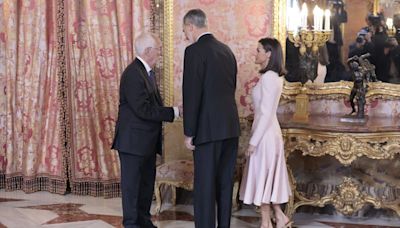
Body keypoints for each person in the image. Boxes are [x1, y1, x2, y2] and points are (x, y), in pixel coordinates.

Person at [112, 32, 179, 228]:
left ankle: (144, 220)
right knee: (132, 188)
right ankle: (132, 224)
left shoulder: (146, 72)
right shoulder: (133, 73)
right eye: (158, 48)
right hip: (133, 143)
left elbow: (151, 105)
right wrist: (174, 112)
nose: (160, 52)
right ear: (148, 51)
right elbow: (143, 109)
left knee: (145, 185)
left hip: (145, 142)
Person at [181, 9, 241, 228]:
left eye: (185, 31)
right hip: (230, 128)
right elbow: (230, 88)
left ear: (190, 27)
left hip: (207, 131)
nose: (185, 36)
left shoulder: (194, 51)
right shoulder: (227, 51)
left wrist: (189, 132)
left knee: (205, 187)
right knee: (225, 184)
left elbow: (192, 94)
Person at [239, 38, 292, 228]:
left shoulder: (270, 77)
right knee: (267, 176)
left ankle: (265, 222)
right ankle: (279, 217)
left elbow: (267, 112)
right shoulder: (272, 76)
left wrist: (253, 142)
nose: (256, 53)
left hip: (265, 134)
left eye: (259, 50)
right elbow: (265, 108)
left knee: (263, 176)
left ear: (269, 53)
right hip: (268, 132)